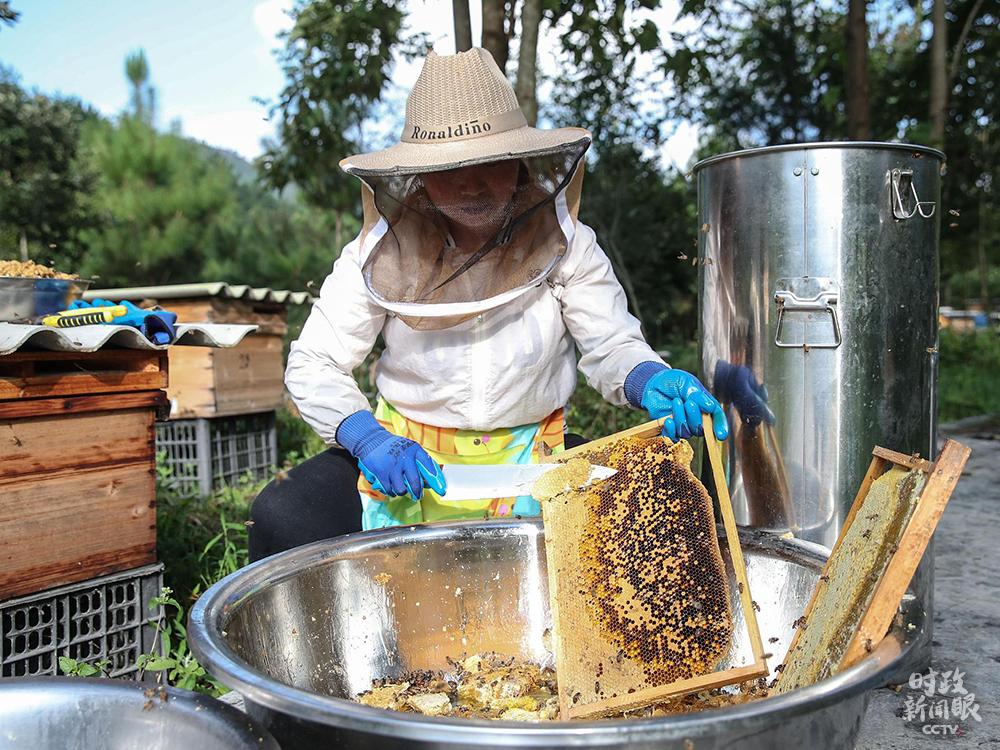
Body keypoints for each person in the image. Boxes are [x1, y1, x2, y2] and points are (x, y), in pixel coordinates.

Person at [248, 47, 729, 561]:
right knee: (285, 513)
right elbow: (313, 361)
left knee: (662, 519)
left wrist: (647, 378)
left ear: (519, 160)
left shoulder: (570, 243)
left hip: (533, 454)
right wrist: (367, 439)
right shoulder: (378, 255)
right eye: (449, 169)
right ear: (418, 175)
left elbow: (610, 342)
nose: (471, 185)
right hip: (404, 457)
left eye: (489, 164)